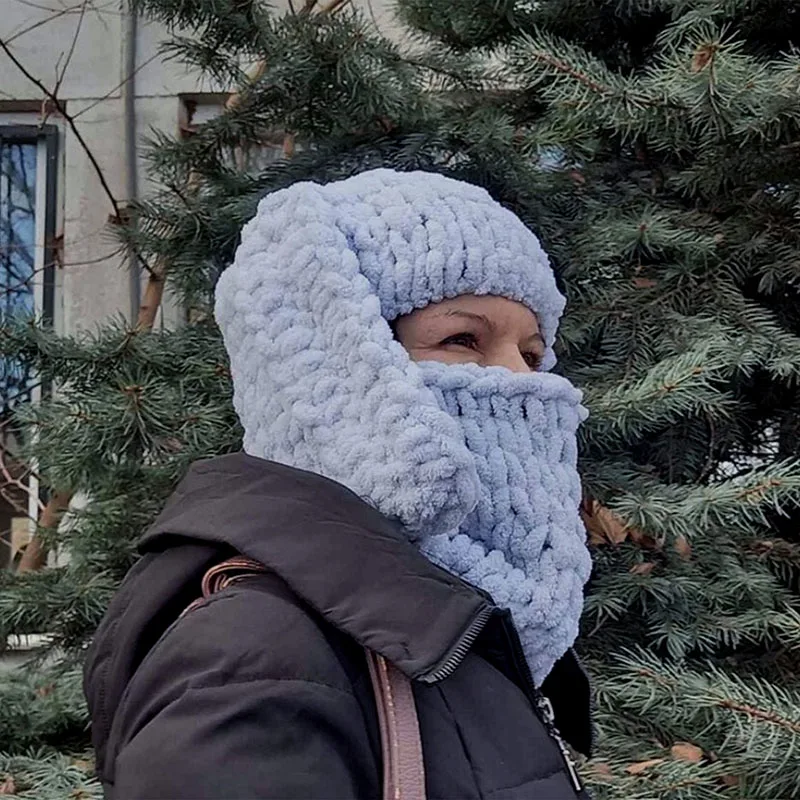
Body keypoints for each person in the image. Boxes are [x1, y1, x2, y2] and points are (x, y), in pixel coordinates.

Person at [84, 169, 594, 799]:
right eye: (463, 338)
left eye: (534, 353)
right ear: (338, 363)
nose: (522, 381)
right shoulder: (253, 653)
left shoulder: (460, 623)